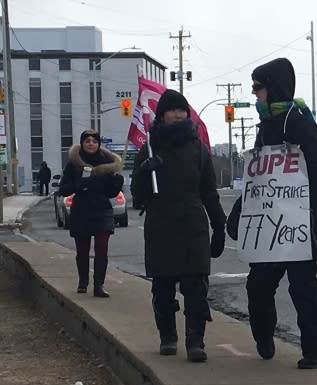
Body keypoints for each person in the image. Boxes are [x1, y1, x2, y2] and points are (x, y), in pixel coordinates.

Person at [226, 57, 317, 369]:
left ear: (274, 88)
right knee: (258, 286)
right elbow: (259, 182)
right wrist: (238, 214)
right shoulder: (264, 126)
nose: (255, 93)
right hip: (269, 225)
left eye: (259, 87)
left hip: (299, 222)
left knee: (303, 288)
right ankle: (263, 334)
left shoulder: (299, 123)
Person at [131, 89, 226, 363]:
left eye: (181, 110)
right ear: (161, 114)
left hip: (192, 223)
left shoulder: (198, 149)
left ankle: (196, 341)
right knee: (162, 289)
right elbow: (139, 197)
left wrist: (219, 225)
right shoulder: (149, 147)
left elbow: (209, 191)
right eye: (171, 110)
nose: (177, 114)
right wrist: (144, 172)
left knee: (196, 288)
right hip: (161, 224)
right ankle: (168, 336)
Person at [58, 130, 124, 298]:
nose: (91, 144)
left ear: (98, 144)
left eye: (94, 141)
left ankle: (99, 286)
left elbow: (110, 192)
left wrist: (117, 183)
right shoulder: (74, 164)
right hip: (82, 210)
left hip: (102, 210)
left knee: (102, 247)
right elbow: (64, 189)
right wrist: (77, 185)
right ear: (82, 144)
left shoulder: (107, 163)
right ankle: (83, 281)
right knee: (82, 250)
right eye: (87, 141)